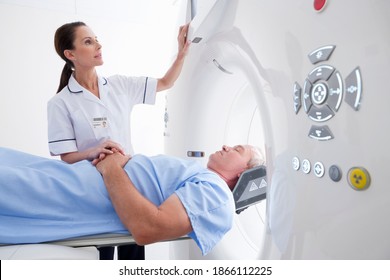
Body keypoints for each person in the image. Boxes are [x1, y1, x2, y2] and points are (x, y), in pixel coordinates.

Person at [47, 21, 190, 259]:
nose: (98, 45)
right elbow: (67, 156)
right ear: (70, 54)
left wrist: (181, 53)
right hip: (93, 188)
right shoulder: (60, 103)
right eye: (88, 41)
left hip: (131, 183)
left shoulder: (119, 85)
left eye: (96, 38)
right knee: (100, 255)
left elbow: (166, 82)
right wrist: (94, 150)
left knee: (132, 254)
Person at [0, 144, 264, 256]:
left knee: (9, 181)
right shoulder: (203, 176)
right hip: (77, 177)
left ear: (244, 173)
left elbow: (148, 228)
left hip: (77, 192)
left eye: (237, 149)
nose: (227, 146)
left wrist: (112, 168)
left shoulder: (217, 196)